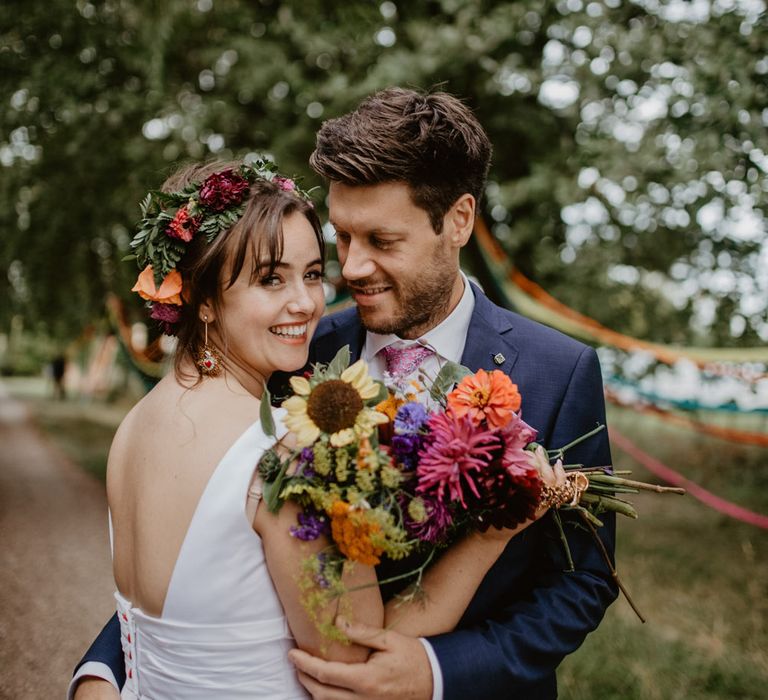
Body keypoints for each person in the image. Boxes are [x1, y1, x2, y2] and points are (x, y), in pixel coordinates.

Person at [70, 157, 570, 699]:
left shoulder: (136, 427)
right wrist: (490, 535)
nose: (307, 303)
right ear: (204, 296)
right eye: (270, 278)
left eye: (311, 274)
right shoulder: (289, 453)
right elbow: (358, 656)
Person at [284, 87, 619, 700]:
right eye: (343, 237)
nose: (352, 268)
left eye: (382, 241)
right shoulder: (298, 350)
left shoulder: (559, 371)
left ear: (458, 220)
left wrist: (437, 673)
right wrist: (111, 665)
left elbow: (582, 582)